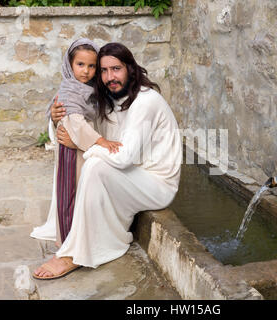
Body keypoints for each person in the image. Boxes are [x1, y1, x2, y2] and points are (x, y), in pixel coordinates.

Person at [31, 42, 182, 280]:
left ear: (130, 69)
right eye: (103, 70)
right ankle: (72, 230)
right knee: (87, 158)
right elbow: (82, 130)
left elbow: (123, 157)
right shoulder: (111, 99)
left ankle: (76, 253)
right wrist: (56, 118)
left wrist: (84, 143)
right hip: (133, 175)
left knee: (96, 164)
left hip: (157, 184)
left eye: (116, 69)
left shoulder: (146, 101)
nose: (109, 77)